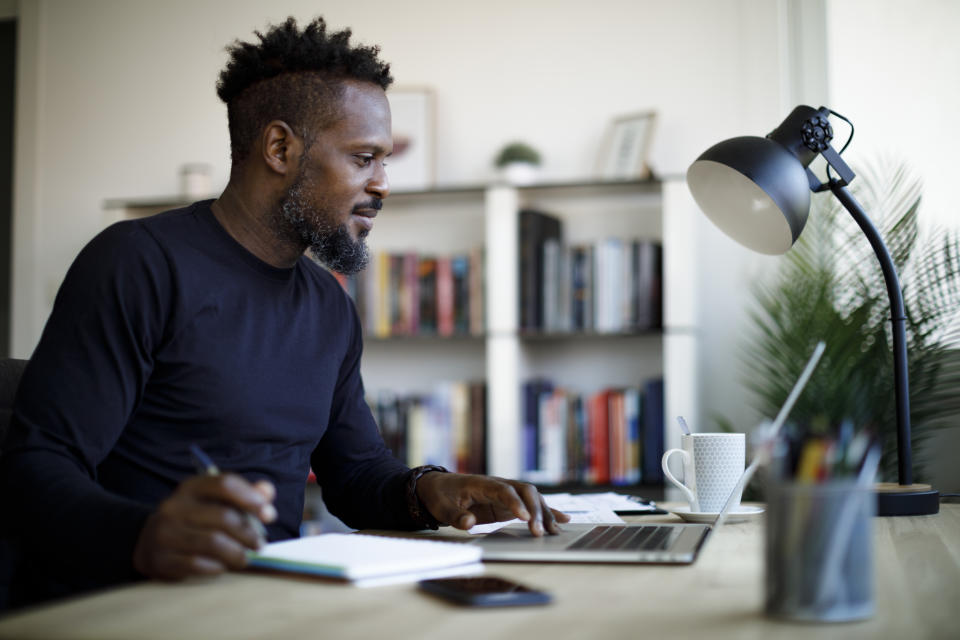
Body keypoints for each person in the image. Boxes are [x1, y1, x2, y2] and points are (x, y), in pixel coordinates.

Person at [0, 16, 567, 606]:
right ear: (279, 148)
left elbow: (355, 476)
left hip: (269, 600)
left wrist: (435, 489)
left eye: (384, 161)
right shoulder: (139, 263)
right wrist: (144, 535)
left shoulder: (328, 303)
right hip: (130, 602)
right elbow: (35, 469)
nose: (383, 184)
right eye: (364, 157)